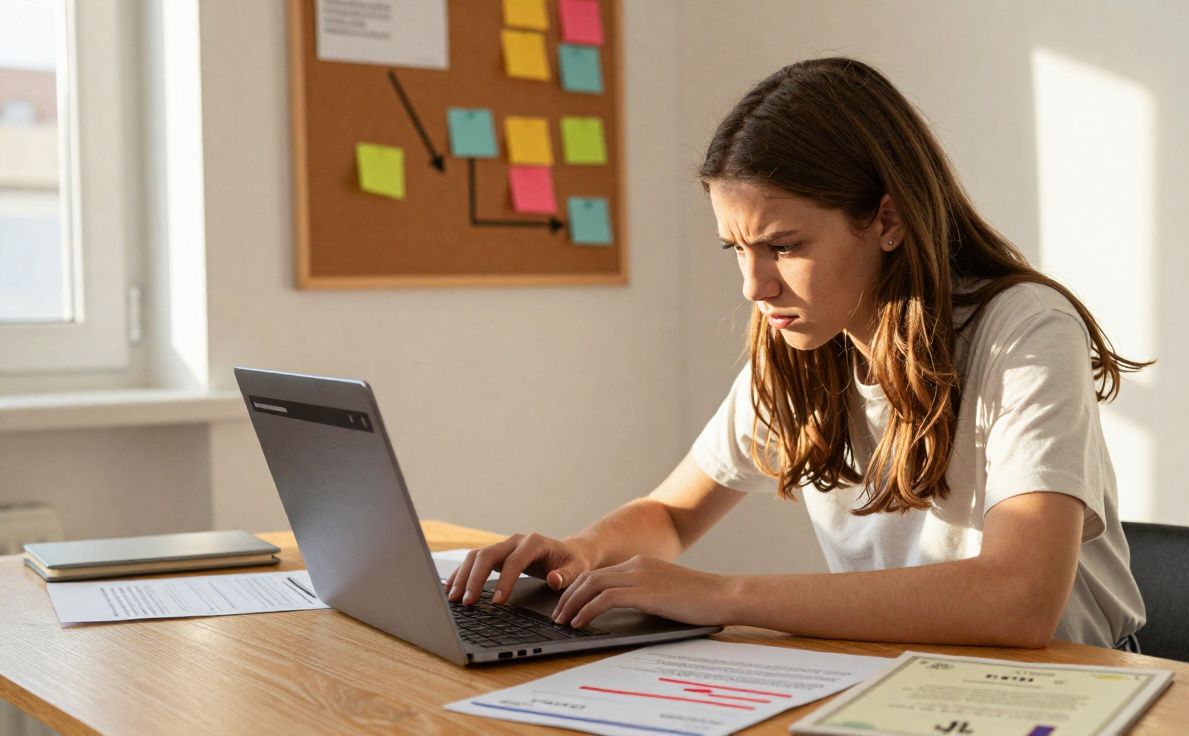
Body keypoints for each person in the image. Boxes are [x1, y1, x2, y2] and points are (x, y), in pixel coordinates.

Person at [445, 57, 1149, 650]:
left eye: (784, 246)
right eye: (736, 249)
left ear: (887, 219)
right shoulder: (798, 345)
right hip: (897, 679)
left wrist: (724, 594)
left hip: (1062, 688)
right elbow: (673, 514)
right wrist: (585, 551)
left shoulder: (1022, 330)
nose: (755, 285)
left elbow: (1018, 600)